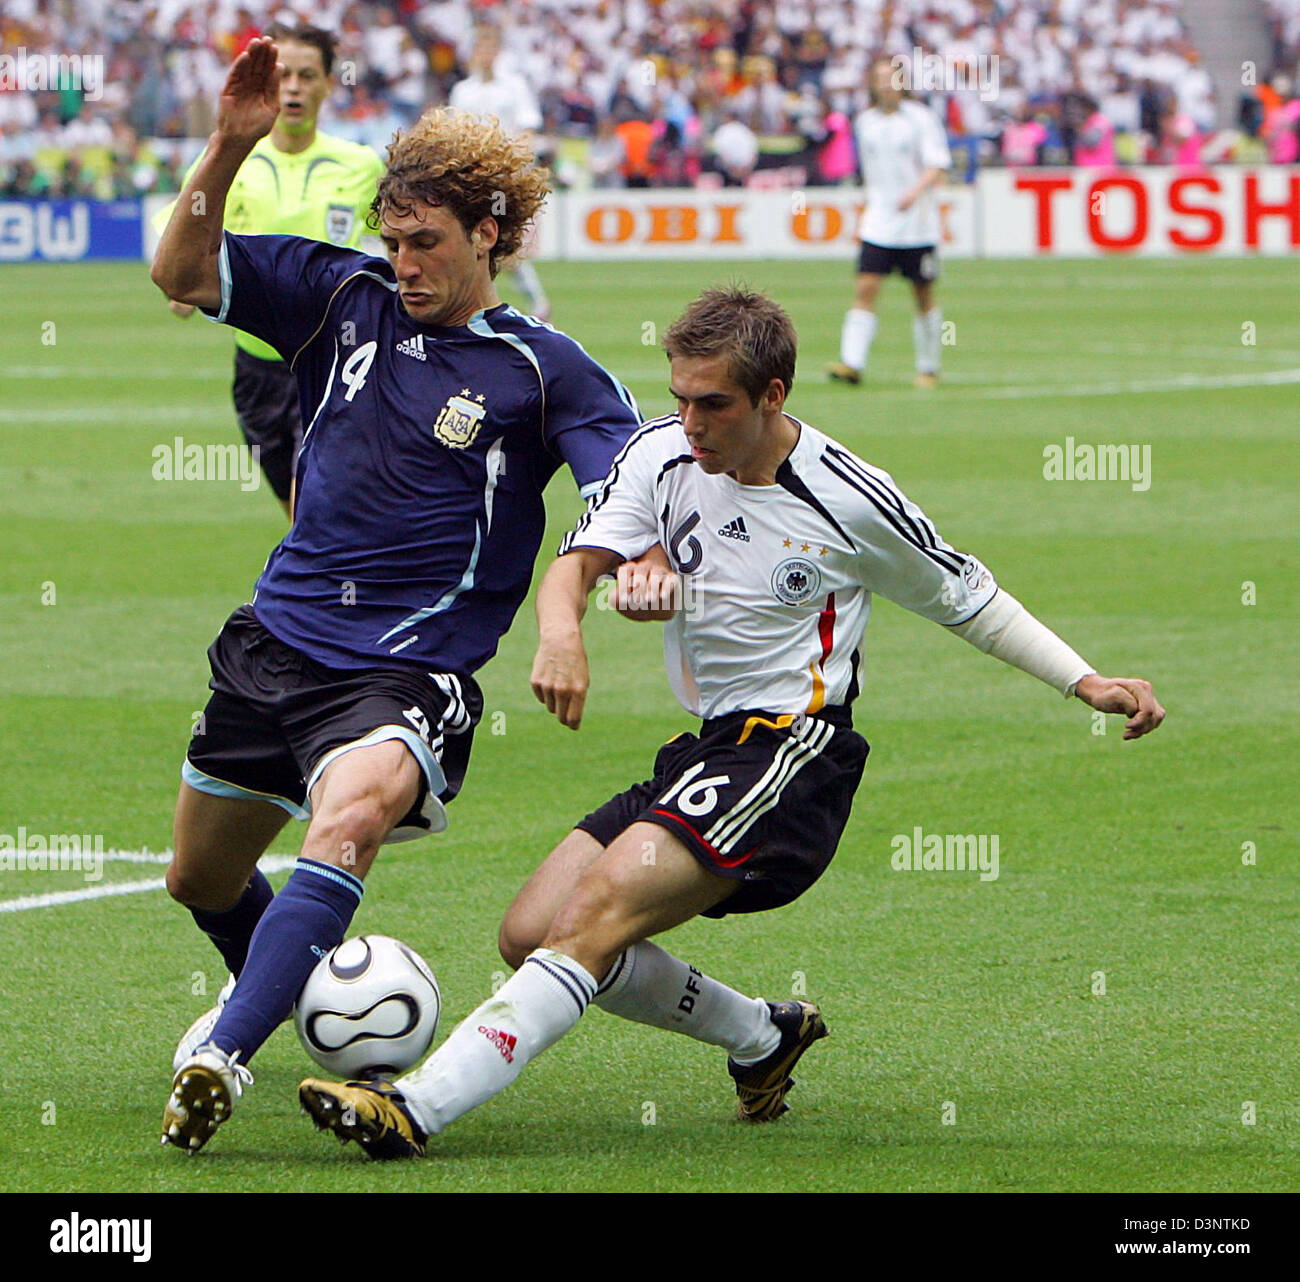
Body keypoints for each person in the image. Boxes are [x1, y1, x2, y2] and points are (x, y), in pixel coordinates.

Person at [296, 285, 1166, 1159]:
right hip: (709, 749)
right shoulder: (659, 455)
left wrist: (1083, 681)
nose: (691, 421)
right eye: (678, 397)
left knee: (594, 913)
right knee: (529, 933)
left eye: (713, 404)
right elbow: (579, 564)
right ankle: (763, 1035)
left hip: (796, 751)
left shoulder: (847, 497)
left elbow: (965, 597)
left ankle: (415, 1109)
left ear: (772, 397)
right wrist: (569, 627)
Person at [150, 37, 642, 1154]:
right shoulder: (340, 295)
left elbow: (630, 477)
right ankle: (315, 996)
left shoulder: (541, 367)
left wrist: (612, 576)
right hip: (273, 641)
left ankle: (223, 1052)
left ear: (491, 235)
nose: (405, 262)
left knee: (354, 814)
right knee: (199, 874)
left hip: (403, 668)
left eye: (426, 243)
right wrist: (224, 147)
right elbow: (181, 272)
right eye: (394, 239)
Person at [154, 24, 385, 517]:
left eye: (307, 75)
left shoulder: (361, 165)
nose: (296, 87)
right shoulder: (232, 159)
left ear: (328, 83)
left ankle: (320, 589)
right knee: (298, 513)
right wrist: (182, 289)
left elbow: (397, 240)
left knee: (315, 509)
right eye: (285, 76)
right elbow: (181, 239)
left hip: (333, 362)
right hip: (256, 365)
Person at [828, 58, 951, 391]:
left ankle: (929, 366)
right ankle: (851, 363)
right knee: (865, 288)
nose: (886, 84)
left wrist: (914, 193)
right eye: (879, 78)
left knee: (923, 293)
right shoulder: (865, 121)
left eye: (891, 78)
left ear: (902, 82)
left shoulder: (920, 119)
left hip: (917, 225)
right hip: (879, 222)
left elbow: (937, 164)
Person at [449, 26, 551, 320]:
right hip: (472, 178)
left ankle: (533, 302)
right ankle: (481, 303)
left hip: (503, 179)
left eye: (490, 49)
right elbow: (454, 135)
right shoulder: (463, 90)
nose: (485, 55)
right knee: (477, 242)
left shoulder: (514, 87)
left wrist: (517, 167)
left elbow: (529, 127)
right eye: (480, 49)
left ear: (498, 53)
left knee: (498, 240)